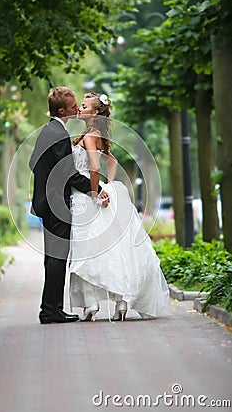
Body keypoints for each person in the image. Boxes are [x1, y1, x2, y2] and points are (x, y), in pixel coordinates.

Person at [69, 92, 169, 321]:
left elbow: (95, 167)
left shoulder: (89, 135)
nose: (79, 108)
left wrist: (95, 192)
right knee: (112, 249)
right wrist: (110, 185)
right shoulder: (96, 134)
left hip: (86, 196)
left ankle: (91, 305)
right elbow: (111, 161)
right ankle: (121, 303)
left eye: (83, 106)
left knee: (87, 251)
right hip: (95, 192)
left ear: (94, 113)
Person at [29, 87, 109, 324]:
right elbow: (68, 173)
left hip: (48, 201)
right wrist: (97, 189)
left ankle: (52, 308)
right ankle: (50, 311)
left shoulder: (49, 130)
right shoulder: (58, 134)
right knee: (57, 259)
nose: (77, 109)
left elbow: (34, 162)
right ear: (62, 110)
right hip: (56, 205)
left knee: (53, 258)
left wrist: (46, 181)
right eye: (74, 106)